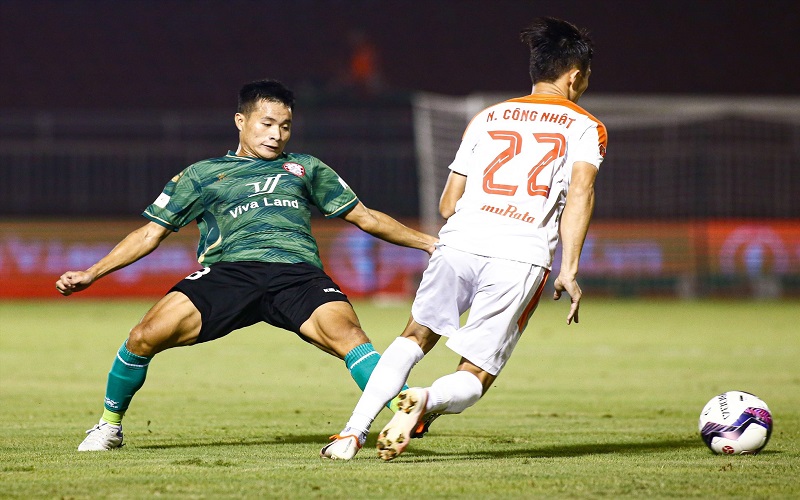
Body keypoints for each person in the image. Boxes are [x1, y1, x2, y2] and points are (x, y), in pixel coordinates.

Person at [56, 79, 438, 451]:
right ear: (241, 121)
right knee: (143, 336)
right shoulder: (201, 175)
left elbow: (365, 217)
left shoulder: (306, 168)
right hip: (230, 273)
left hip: (296, 274)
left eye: (285, 126)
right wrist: (93, 272)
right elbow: (149, 234)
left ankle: (408, 410)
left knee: (351, 338)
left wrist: (430, 244)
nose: (276, 135)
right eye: (267, 124)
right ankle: (109, 426)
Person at [320, 17, 607, 461]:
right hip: (519, 254)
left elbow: (447, 204)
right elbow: (581, 193)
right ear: (574, 76)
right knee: (476, 375)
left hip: (459, 242)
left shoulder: (487, 117)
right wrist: (569, 269)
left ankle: (350, 434)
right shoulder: (586, 126)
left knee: (413, 337)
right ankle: (425, 400)